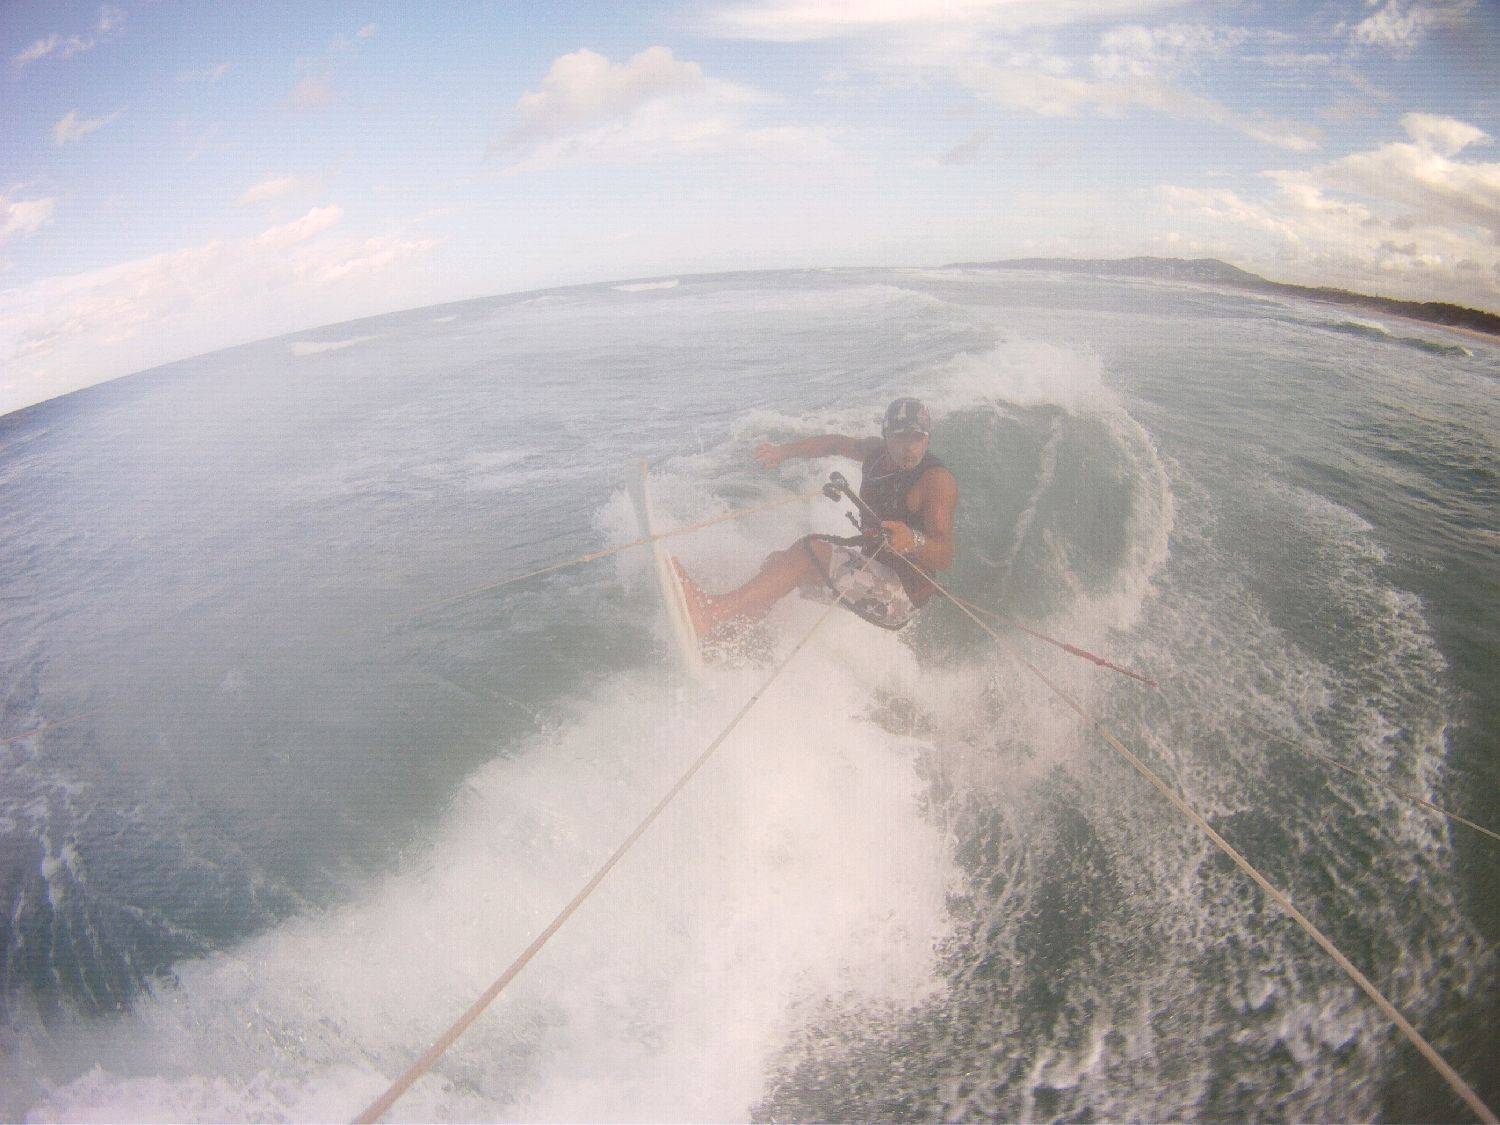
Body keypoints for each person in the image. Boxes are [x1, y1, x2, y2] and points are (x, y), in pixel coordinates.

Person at [673, 397, 957, 640]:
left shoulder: (936, 481)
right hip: (874, 572)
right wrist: (785, 452)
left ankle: (711, 613)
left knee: (809, 553)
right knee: (779, 565)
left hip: (901, 596)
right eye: (900, 437)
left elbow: (944, 556)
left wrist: (914, 540)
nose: (909, 448)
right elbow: (833, 444)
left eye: (917, 438)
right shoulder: (876, 455)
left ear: (927, 438)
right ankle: (726, 638)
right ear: (885, 436)